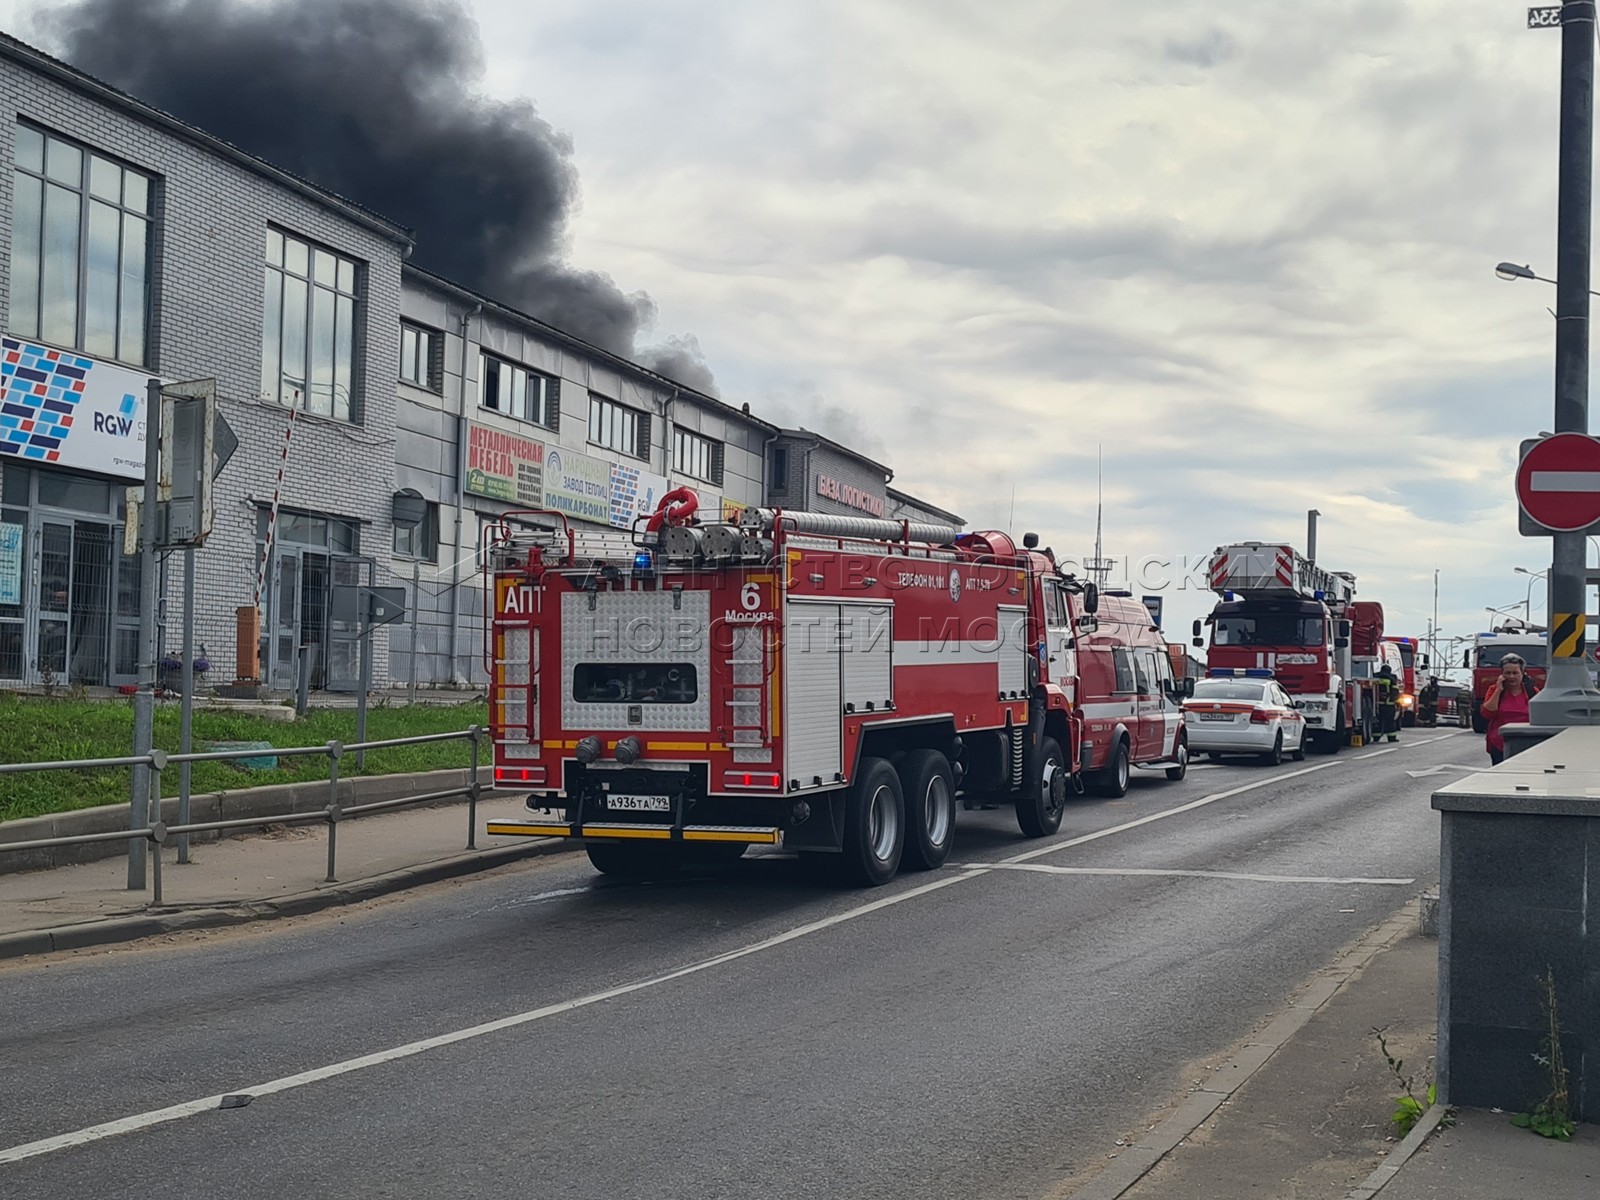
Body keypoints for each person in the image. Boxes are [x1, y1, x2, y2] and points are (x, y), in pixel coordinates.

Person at [1482, 653, 1540, 766]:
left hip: (1526, 744)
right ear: (1502, 675)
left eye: (1515, 673)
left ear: (1523, 673)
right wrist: (1498, 690)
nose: (1511, 676)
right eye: (1507, 673)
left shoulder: (1532, 691)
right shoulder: (1494, 690)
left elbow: (1540, 716)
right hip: (1499, 745)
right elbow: (1487, 713)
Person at [1375, 664, 1400, 743]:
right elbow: (1395, 692)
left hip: (1377, 704)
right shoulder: (1392, 679)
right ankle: (1391, 737)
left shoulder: (1376, 677)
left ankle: (1376, 737)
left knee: (1378, 721)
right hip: (1389, 704)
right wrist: (1396, 702)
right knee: (1390, 722)